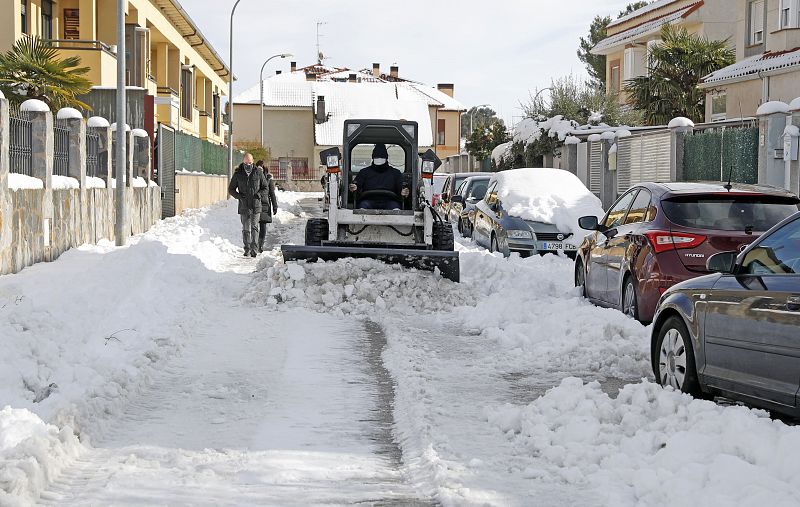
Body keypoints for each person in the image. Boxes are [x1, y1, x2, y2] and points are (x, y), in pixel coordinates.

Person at [228, 153, 268, 257]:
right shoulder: (238, 174)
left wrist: (258, 195)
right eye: (246, 162)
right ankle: (247, 248)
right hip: (244, 205)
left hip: (256, 205)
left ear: (253, 162)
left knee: (254, 227)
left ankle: (254, 250)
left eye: (250, 162)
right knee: (246, 228)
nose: (248, 164)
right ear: (243, 162)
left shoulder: (258, 173)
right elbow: (231, 189)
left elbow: (265, 188)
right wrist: (239, 196)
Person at [348, 143, 409, 209]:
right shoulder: (364, 172)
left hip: (390, 201)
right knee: (362, 206)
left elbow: (401, 186)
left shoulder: (395, 173)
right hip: (368, 201)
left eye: (381, 158)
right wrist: (354, 188)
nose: (379, 160)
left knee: (395, 208)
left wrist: (404, 191)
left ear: (386, 158)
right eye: (377, 158)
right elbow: (357, 185)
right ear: (373, 158)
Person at [255, 160, 278, 253]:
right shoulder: (268, 179)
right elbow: (272, 194)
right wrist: (274, 206)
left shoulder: (255, 176)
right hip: (264, 204)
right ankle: (259, 245)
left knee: (256, 225)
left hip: (257, 203)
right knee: (262, 226)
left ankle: (257, 244)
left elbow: (272, 194)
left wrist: (275, 206)